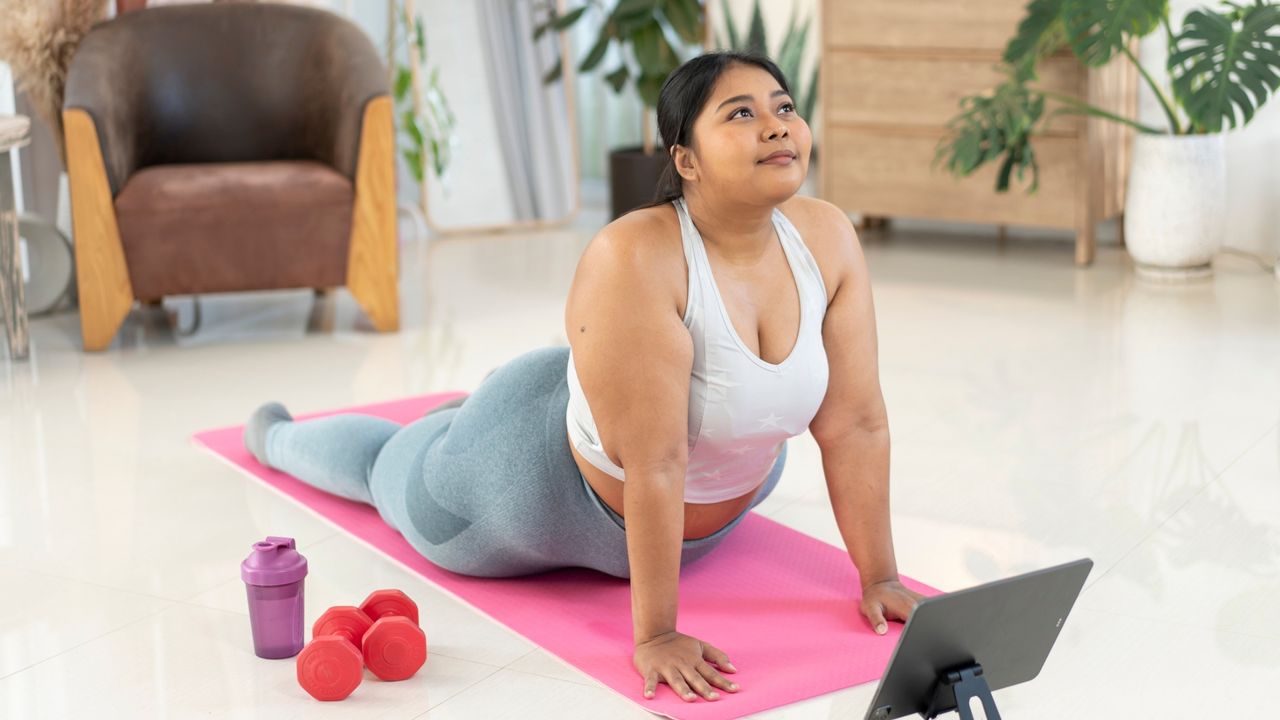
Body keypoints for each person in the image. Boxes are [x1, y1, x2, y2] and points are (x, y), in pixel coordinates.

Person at [243, 50, 922, 705]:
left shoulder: (827, 238)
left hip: (681, 469)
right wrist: (655, 634)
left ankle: (456, 411)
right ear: (686, 160)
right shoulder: (635, 255)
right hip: (526, 482)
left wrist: (880, 576)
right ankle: (275, 436)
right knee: (388, 470)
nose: (777, 125)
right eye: (740, 115)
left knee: (561, 409)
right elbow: (655, 463)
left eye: (784, 107)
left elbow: (856, 424)